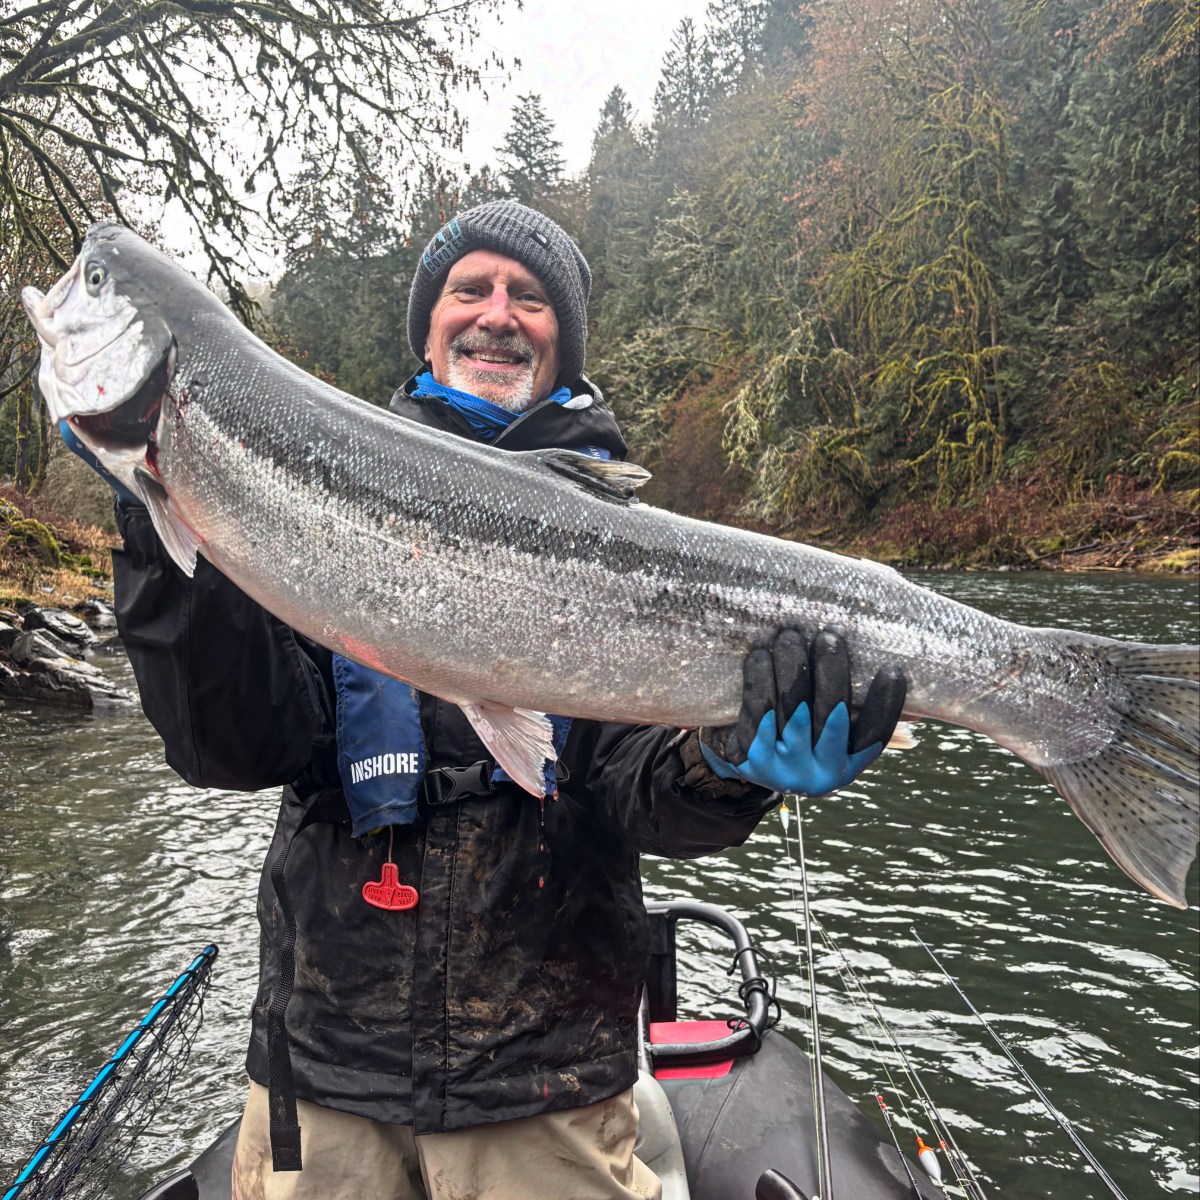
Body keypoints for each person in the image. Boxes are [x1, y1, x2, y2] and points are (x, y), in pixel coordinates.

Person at [79, 200, 906, 1200]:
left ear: (566, 341)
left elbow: (638, 793)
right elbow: (231, 747)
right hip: (321, 1073)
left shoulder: (629, 541)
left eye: (531, 297)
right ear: (430, 326)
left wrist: (729, 762)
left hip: (547, 1085)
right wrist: (153, 508)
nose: (497, 314)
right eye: (469, 290)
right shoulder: (301, 494)